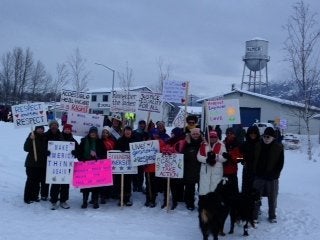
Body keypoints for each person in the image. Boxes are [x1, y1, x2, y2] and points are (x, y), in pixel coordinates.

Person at [252, 127, 284, 223]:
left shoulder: (278, 148)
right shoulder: (257, 145)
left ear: (273, 137)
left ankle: (272, 215)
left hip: (272, 177)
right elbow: (254, 160)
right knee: (256, 197)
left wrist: (275, 174)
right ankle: (254, 216)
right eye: (265, 136)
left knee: (272, 197)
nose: (266, 138)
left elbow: (280, 163)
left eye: (268, 137)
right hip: (259, 176)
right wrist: (255, 171)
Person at [49, 124, 78, 210]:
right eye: (66, 129)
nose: (67, 130)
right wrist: (48, 152)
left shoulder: (73, 140)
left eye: (69, 129)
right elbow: (50, 148)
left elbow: (78, 151)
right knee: (55, 183)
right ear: (63, 129)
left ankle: (63, 200)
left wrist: (75, 153)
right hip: (56, 165)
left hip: (67, 165)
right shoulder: (57, 137)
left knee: (65, 184)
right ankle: (53, 201)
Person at [78, 126, 106, 209]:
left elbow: (104, 153)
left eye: (94, 132)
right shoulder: (84, 141)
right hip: (85, 165)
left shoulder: (100, 142)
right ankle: (84, 201)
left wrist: (97, 156)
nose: (93, 134)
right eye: (91, 132)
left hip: (96, 166)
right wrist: (82, 159)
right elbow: (79, 152)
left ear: (96, 133)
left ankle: (95, 201)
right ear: (89, 133)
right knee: (86, 185)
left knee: (96, 185)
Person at [197, 130, 227, 200]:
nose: (212, 138)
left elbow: (225, 158)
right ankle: (203, 204)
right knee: (204, 188)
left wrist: (215, 156)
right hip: (206, 170)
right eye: (211, 137)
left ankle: (214, 205)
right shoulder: (203, 145)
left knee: (215, 187)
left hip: (216, 170)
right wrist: (207, 159)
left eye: (214, 137)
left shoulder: (221, 145)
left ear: (217, 137)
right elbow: (198, 157)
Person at [161, 127, 185, 210]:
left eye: (173, 133)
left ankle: (174, 201)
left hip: (175, 167)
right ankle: (165, 200)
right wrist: (166, 150)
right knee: (165, 185)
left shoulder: (181, 141)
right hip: (167, 166)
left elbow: (178, 151)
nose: (172, 135)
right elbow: (164, 148)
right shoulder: (170, 140)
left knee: (173, 186)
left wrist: (169, 151)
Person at [179, 128, 203, 210]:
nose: (195, 135)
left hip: (201, 170)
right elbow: (181, 155)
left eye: (197, 134)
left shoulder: (203, 143)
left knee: (202, 189)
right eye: (193, 134)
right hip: (189, 169)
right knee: (190, 188)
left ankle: (202, 203)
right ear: (191, 135)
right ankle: (190, 203)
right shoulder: (186, 143)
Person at [23, 126, 48, 204]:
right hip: (32, 164)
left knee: (37, 181)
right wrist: (30, 139)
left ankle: (35, 196)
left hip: (42, 164)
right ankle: (27, 197)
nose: (40, 130)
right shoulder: (32, 135)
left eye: (42, 129)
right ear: (36, 129)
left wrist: (48, 152)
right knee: (31, 180)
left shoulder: (45, 137)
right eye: (39, 129)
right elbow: (26, 148)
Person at [115, 126, 135, 206]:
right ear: (124, 131)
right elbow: (115, 151)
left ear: (131, 132)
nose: (128, 132)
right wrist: (121, 150)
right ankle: (121, 199)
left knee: (128, 182)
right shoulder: (119, 140)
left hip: (130, 166)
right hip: (121, 165)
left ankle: (127, 198)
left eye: (129, 131)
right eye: (126, 130)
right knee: (120, 182)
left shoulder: (134, 141)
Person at [44, 120, 63, 201]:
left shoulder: (61, 135)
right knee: (46, 178)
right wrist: (45, 151)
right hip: (46, 160)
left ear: (58, 126)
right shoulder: (45, 135)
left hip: (58, 161)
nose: (54, 126)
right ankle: (44, 194)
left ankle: (54, 195)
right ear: (50, 126)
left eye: (55, 125)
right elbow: (41, 145)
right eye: (52, 125)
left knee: (56, 179)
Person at [222, 127, 243, 195]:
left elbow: (240, 159)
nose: (229, 135)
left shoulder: (237, 144)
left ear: (234, 134)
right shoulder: (223, 143)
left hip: (232, 171)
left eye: (231, 133)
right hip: (222, 171)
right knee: (224, 190)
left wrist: (230, 157)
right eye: (227, 133)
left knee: (233, 190)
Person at [241, 125, 260, 195]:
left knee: (255, 189)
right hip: (247, 169)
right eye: (251, 133)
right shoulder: (245, 144)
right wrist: (242, 160)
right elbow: (239, 156)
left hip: (257, 170)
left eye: (254, 133)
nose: (253, 134)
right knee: (246, 188)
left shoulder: (260, 144)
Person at [100, 126, 116, 203]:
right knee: (102, 180)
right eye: (103, 132)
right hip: (102, 163)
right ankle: (102, 196)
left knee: (110, 179)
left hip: (111, 163)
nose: (105, 134)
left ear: (109, 133)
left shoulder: (113, 141)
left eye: (106, 132)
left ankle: (109, 194)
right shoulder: (99, 141)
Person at [132, 120, 149, 192]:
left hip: (143, 156)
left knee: (141, 172)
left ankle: (140, 186)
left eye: (143, 124)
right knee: (134, 172)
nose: (142, 125)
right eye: (141, 124)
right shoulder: (134, 132)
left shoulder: (146, 133)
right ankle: (135, 186)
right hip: (135, 155)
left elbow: (149, 142)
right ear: (138, 125)